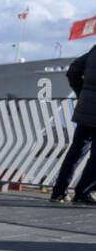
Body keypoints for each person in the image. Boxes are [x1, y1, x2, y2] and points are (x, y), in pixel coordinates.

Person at [50, 42, 96, 205]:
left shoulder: (94, 50)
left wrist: (82, 93)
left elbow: (73, 71)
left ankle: (59, 192)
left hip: (85, 109)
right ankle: (84, 192)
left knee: (75, 152)